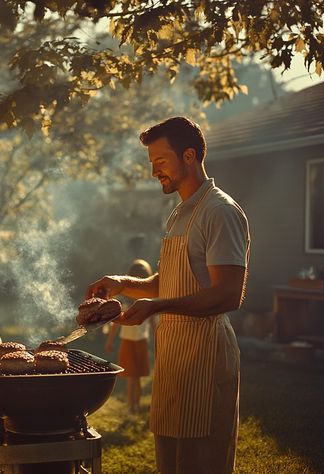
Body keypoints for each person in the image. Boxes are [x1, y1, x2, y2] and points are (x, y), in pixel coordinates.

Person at [87, 117, 250, 474]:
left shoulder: (219, 212)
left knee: (202, 464)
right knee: (171, 463)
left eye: (159, 162)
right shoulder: (180, 213)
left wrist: (156, 307)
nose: (152, 172)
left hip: (207, 356)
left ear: (188, 155)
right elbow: (170, 280)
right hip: (174, 358)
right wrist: (120, 282)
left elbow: (227, 295)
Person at [104, 258, 155, 414]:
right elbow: (115, 323)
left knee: (137, 377)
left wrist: (157, 340)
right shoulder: (125, 301)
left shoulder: (149, 302)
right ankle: (131, 406)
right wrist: (110, 341)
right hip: (128, 341)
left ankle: (135, 406)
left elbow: (153, 323)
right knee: (132, 377)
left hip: (141, 341)